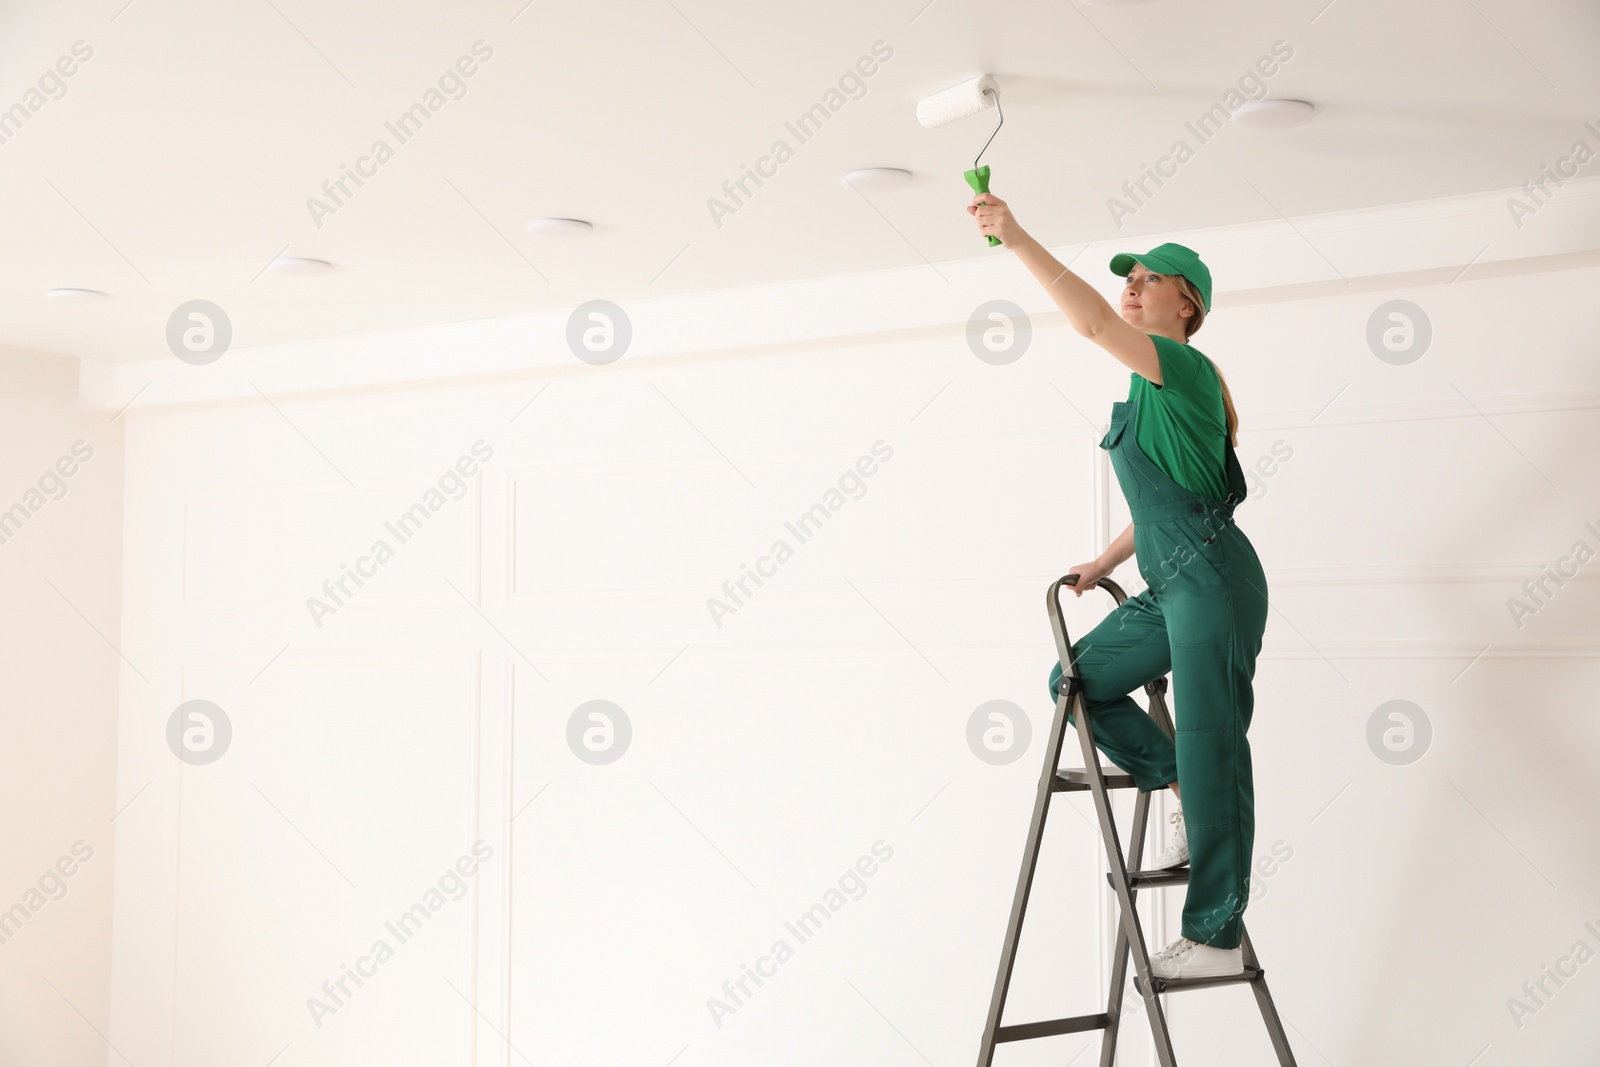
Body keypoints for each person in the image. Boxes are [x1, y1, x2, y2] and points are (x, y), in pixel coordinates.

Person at [968, 193, 1269, 981]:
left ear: (1186, 303)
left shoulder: (1185, 369)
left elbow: (1094, 323)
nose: (1131, 287)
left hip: (1214, 582)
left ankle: (1215, 936)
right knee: (1075, 682)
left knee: (1213, 741)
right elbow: (1165, 502)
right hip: (1170, 583)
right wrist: (1106, 560)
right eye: (1127, 278)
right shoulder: (1146, 389)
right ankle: (1176, 780)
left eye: (1148, 279)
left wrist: (1016, 237)